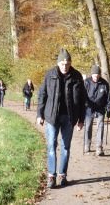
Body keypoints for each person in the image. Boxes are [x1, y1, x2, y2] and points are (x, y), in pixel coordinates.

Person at [37, 48, 86, 188]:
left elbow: (83, 99)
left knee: (66, 147)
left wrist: (81, 119)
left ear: (70, 63)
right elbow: (42, 95)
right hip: (51, 117)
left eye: (67, 63)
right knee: (52, 145)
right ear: (58, 63)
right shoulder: (49, 74)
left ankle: (62, 175)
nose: (65, 66)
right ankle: (51, 176)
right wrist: (39, 115)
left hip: (69, 118)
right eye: (62, 63)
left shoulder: (77, 76)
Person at [83, 64, 110, 156]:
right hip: (89, 108)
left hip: (100, 109)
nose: (96, 77)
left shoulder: (105, 84)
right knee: (88, 127)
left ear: (100, 75)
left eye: (97, 75)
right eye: (94, 75)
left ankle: (99, 147)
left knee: (100, 127)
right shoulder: (86, 82)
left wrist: (109, 109)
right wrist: (83, 106)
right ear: (91, 74)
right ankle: (87, 144)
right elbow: (82, 96)